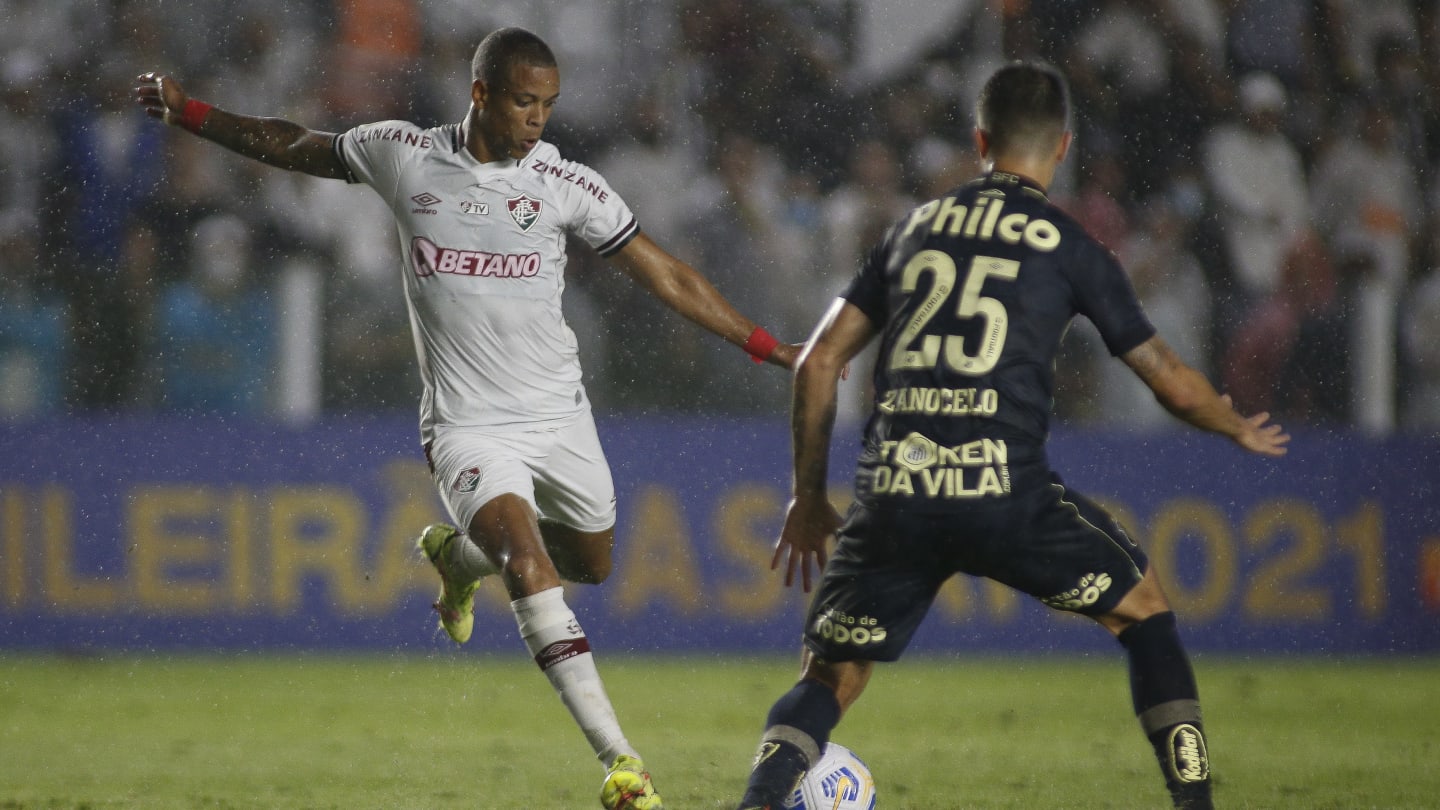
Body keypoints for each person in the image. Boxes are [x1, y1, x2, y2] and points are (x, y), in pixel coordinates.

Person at [137, 26, 800, 810]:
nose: (538, 120)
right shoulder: (404, 154)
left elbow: (668, 275)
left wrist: (763, 345)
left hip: (559, 417)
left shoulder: (566, 185)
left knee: (588, 564)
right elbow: (292, 144)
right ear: (481, 92)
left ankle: (458, 562)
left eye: (549, 105)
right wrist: (192, 113)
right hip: (466, 426)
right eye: (525, 101)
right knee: (530, 564)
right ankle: (624, 766)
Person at [735, 62, 1289, 810]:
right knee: (1144, 612)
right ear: (1061, 148)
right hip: (1004, 491)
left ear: (980, 139)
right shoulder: (1070, 244)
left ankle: (756, 803)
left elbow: (820, 361)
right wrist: (1233, 424)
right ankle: (1195, 803)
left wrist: (807, 495)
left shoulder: (913, 227)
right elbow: (1168, 379)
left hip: (898, 488)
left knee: (829, 676)